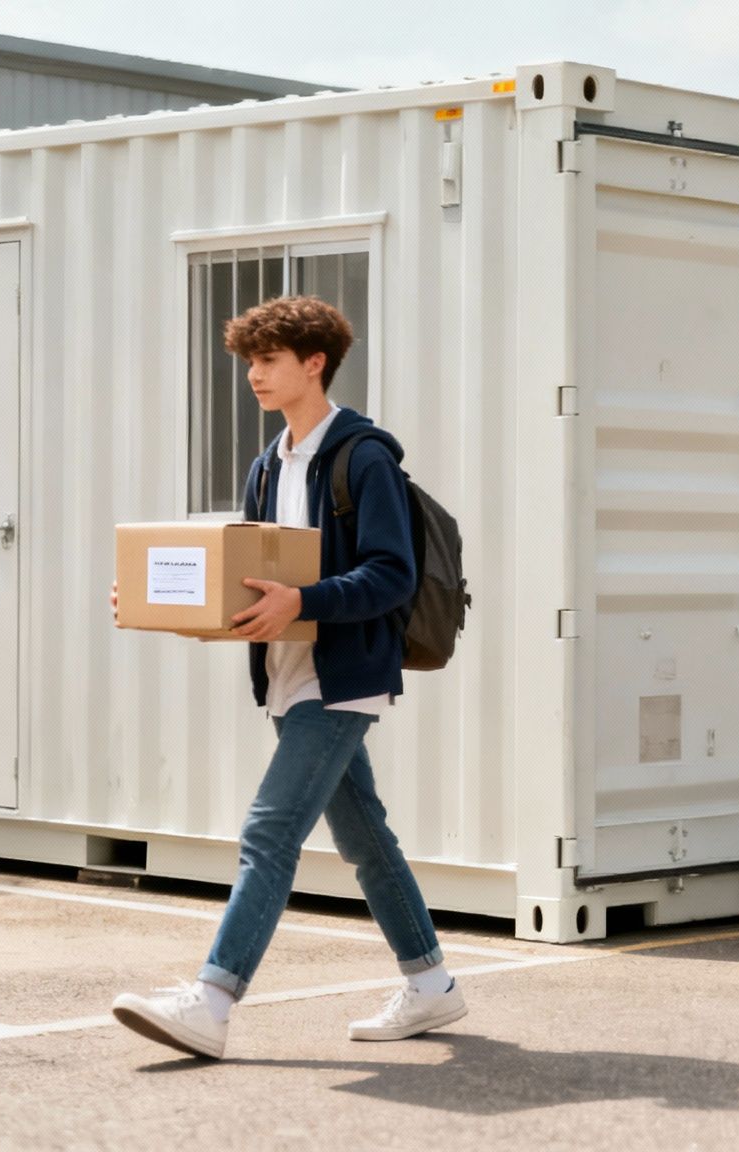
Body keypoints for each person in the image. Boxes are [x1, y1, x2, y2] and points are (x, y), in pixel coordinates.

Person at [109, 296, 463, 1059]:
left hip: (343, 679)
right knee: (367, 839)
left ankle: (212, 1001)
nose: (253, 376)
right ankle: (432, 986)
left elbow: (392, 575)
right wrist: (157, 597)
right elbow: (246, 573)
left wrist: (305, 600)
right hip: (286, 673)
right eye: (247, 363)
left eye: (268, 361)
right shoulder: (267, 464)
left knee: (269, 832)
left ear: (314, 363)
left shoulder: (362, 457)